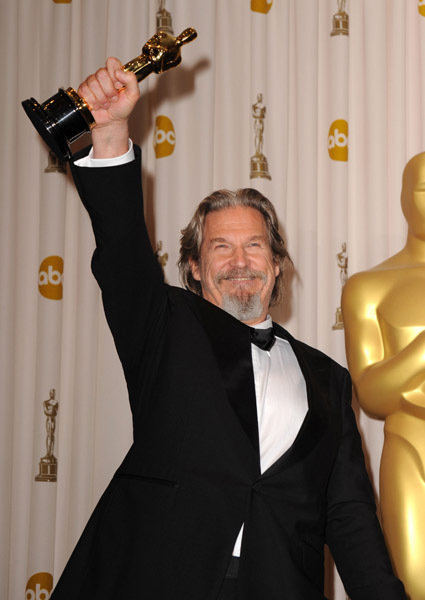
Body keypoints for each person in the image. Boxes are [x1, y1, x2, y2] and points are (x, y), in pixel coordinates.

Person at [50, 58, 405, 600]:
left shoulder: (331, 380)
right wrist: (111, 133)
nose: (240, 261)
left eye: (254, 245)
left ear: (277, 263)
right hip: (155, 577)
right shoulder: (166, 328)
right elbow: (123, 251)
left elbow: (351, 519)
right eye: (221, 246)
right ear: (194, 266)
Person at [341, 151, 425, 600]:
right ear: (403, 199)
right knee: (414, 586)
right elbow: (371, 394)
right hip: (411, 448)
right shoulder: (369, 286)